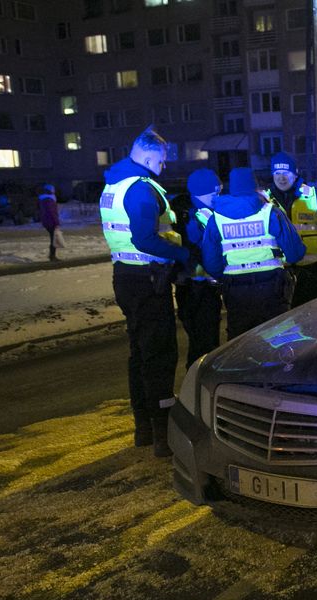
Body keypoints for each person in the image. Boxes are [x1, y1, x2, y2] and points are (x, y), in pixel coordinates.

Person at [100, 127, 191, 458]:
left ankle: (143, 428)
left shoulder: (114, 184)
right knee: (160, 355)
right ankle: (163, 435)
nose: (163, 167)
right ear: (151, 157)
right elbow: (145, 238)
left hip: (125, 276)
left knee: (139, 353)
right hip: (147, 280)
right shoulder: (140, 189)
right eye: (163, 161)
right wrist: (184, 254)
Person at [201, 167, 305, 338]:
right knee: (279, 342)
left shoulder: (216, 218)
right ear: (255, 186)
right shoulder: (270, 212)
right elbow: (295, 253)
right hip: (272, 287)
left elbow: (211, 262)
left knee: (240, 347)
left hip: (236, 290)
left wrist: (228, 275)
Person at [266, 152, 317, 307]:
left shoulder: (313, 197)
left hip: (313, 275)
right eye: (277, 173)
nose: (281, 178)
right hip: (279, 277)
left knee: (316, 323)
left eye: (286, 173)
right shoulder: (265, 200)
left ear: (295, 173)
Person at [172, 168, 223, 367]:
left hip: (206, 286)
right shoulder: (186, 216)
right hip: (193, 288)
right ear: (201, 194)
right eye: (214, 194)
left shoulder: (208, 211)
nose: (217, 197)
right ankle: (197, 387)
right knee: (202, 345)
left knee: (207, 343)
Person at [38, 184, 61, 261]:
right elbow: (52, 212)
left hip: (46, 221)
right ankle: (52, 256)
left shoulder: (44, 199)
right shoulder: (49, 200)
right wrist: (56, 222)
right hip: (51, 222)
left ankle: (52, 255)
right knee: (53, 239)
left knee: (53, 238)